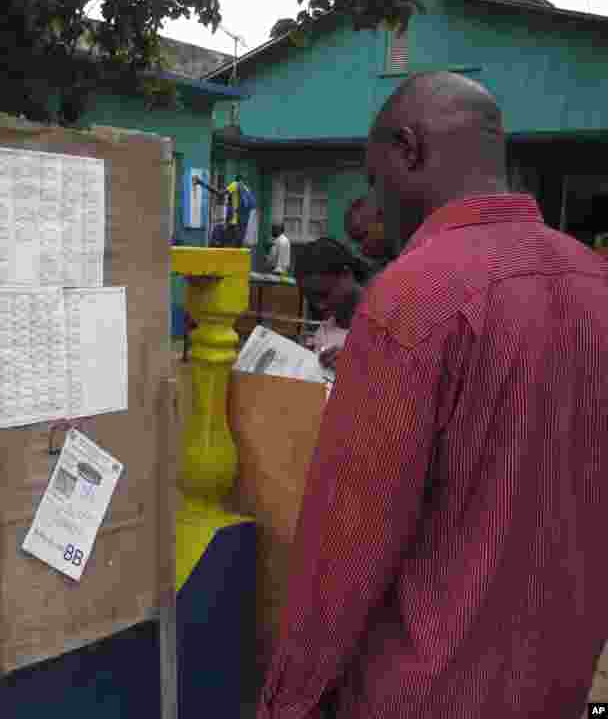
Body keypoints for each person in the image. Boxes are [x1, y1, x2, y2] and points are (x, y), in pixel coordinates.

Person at [258, 72, 608, 718]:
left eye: (374, 179)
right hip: (558, 685)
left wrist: (289, 701)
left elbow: (344, 552)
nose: (374, 203)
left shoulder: (414, 299)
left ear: (408, 148)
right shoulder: (595, 281)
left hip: (419, 694)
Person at [293, 238, 368, 371]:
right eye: (311, 299)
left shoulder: (383, 322)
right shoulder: (324, 333)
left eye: (325, 294)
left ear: (346, 274)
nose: (319, 306)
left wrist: (358, 364)